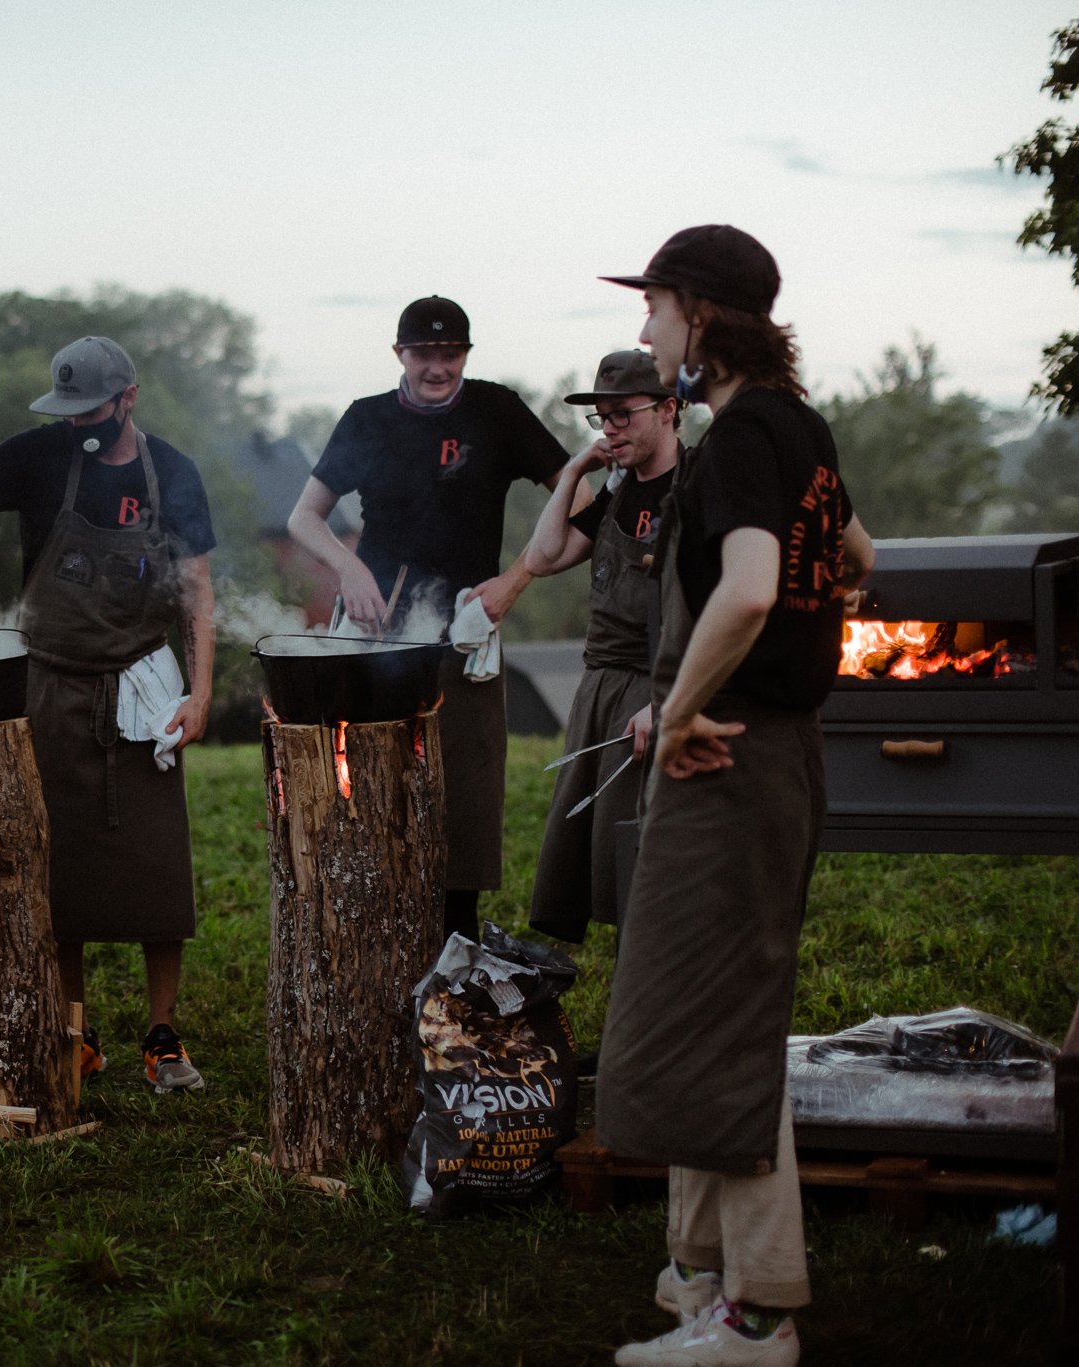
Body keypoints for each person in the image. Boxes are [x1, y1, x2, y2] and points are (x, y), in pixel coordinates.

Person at [593, 226, 874, 1367]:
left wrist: (687, 708)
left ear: (699, 316)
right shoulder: (795, 428)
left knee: (719, 1026)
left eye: (653, 306)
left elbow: (755, 586)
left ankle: (758, 1314)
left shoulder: (747, 430)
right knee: (693, 1013)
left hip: (731, 761)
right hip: (762, 745)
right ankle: (701, 1277)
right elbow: (857, 554)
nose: (643, 329)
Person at [0, 336, 216, 1093]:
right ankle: (75, 1032)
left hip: (144, 689)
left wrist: (200, 692)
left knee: (160, 871)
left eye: (92, 409)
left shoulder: (174, 475)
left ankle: (162, 1034)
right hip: (50, 688)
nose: (80, 424)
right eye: (68, 411)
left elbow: (197, 593)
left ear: (128, 398)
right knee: (55, 871)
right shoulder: (41, 454)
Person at [286, 296, 569, 943]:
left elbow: (575, 496)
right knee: (367, 803)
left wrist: (516, 580)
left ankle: (455, 957)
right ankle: (369, 946)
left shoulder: (497, 411)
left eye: (450, 354)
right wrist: (351, 568)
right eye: (424, 354)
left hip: (464, 640)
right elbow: (305, 516)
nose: (437, 367)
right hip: (376, 639)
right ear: (399, 355)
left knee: (463, 809)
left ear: (466, 355)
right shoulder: (368, 418)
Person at [524, 350, 681, 944]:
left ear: (667, 410)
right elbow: (542, 558)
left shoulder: (693, 490)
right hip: (599, 688)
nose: (611, 429)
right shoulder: (617, 492)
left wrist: (664, 700)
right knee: (589, 852)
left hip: (651, 687)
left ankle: (648, 1005)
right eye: (603, 419)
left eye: (624, 415)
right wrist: (573, 474)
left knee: (638, 858)